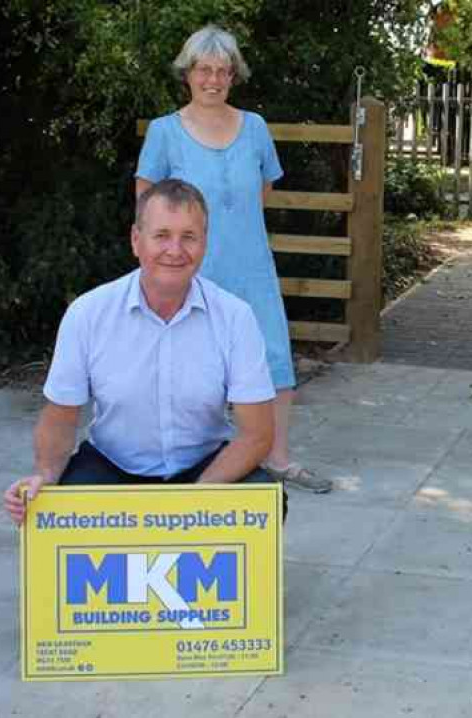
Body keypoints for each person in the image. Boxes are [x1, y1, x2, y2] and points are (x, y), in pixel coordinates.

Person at [3, 179, 285, 525]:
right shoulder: (88, 313)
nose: (175, 249)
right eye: (162, 235)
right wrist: (44, 476)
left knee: (265, 501)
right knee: (51, 511)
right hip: (112, 465)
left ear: (205, 244)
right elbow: (61, 416)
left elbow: (258, 434)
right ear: (136, 240)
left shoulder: (235, 317)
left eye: (189, 237)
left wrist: (194, 501)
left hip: (205, 466)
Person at [135, 25, 331, 493]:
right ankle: (186, 459)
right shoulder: (164, 132)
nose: (214, 80)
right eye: (205, 69)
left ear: (233, 76)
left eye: (224, 71)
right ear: (188, 73)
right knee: (182, 364)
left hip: (251, 267)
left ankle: (278, 458)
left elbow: (263, 190)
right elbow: (146, 203)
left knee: (274, 361)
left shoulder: (256, 128)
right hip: (187, 272)